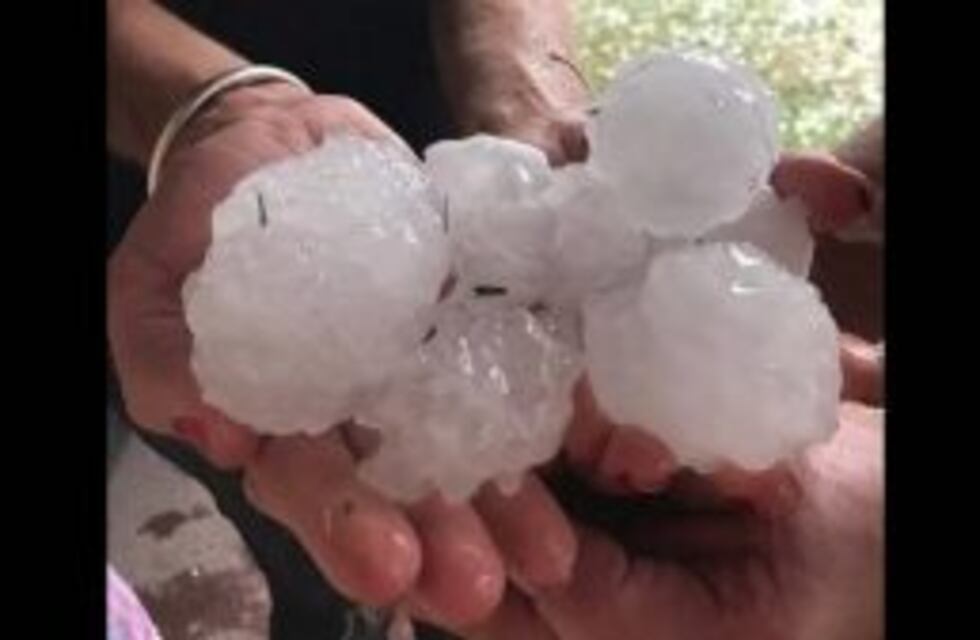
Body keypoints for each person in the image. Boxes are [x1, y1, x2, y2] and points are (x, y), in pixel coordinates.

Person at [107, 0, 884, 636]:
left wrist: (526, 111)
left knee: (419, 555)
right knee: (298, 531)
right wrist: (214, 108)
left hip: (414, 130)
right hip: (171, 199)